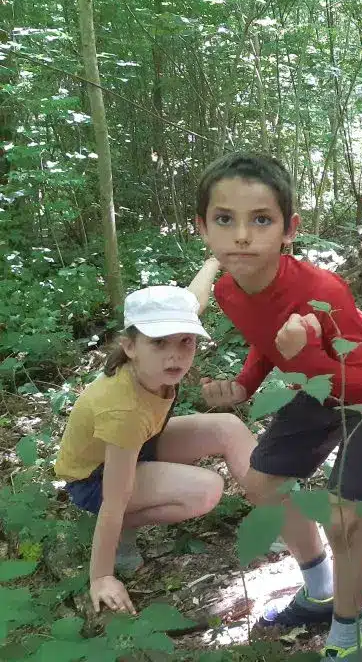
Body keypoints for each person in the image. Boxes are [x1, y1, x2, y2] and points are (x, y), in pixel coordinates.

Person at [196, 153, 362, 661]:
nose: (242, 236)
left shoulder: (320, 289)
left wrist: (304, 355)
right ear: (203, 229)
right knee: (262, 484)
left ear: (289, 229)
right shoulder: (227, 290)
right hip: (317, 390)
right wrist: (243, 384)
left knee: (343, 518)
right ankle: (319, 592)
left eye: (261, 219)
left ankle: (348, 638)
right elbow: (267, 340)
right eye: (225, 219)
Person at [55, 262, 257, 617]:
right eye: (159, 342)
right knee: (207, 489)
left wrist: (213, 262)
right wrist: (100, 577)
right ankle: (122, 538)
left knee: (227, 426)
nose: (175, 354)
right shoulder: (123, 408)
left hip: (142, 444)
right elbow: (115, 498)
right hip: (94, 479)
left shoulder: (157, 365)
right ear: (129, 347)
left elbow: (194, 301)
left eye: (186, 341)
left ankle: (280, 514)